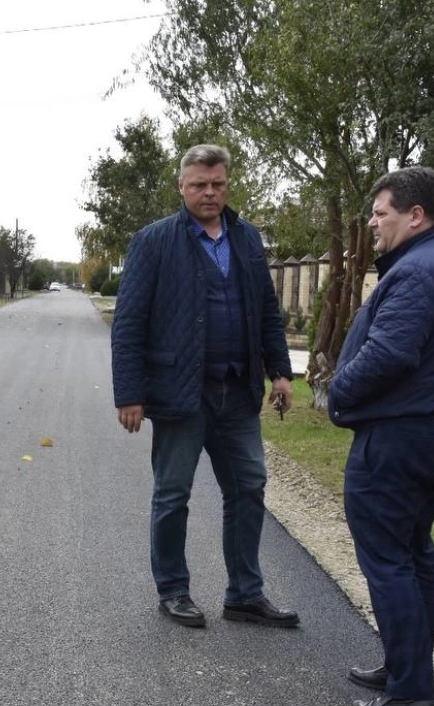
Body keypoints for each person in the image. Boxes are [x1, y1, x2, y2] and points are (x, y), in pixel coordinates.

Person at [111, 144, 298, 630]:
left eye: (217, 184)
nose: (209, 192)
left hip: (237, 392)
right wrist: (129, 393)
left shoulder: (247, 238)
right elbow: (128, 323)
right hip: (181, 393)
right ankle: (173, 590)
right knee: (173, 494)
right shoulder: (154, 241)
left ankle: (245, 594)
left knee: (249, 487)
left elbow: (267, 311)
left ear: (227, 184)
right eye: (199, 185)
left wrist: (280, 371)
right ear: (182, 187)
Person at [328, 165, 434, 706]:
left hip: (397, 438)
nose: (372, 222)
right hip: (428, 432)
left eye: (381, 213)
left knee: (390, 560)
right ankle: (405, 667)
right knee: (413, 555)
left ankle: (411, 692)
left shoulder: (418, 270)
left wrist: (338, 390)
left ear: (416, 215)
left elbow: (390, 353)